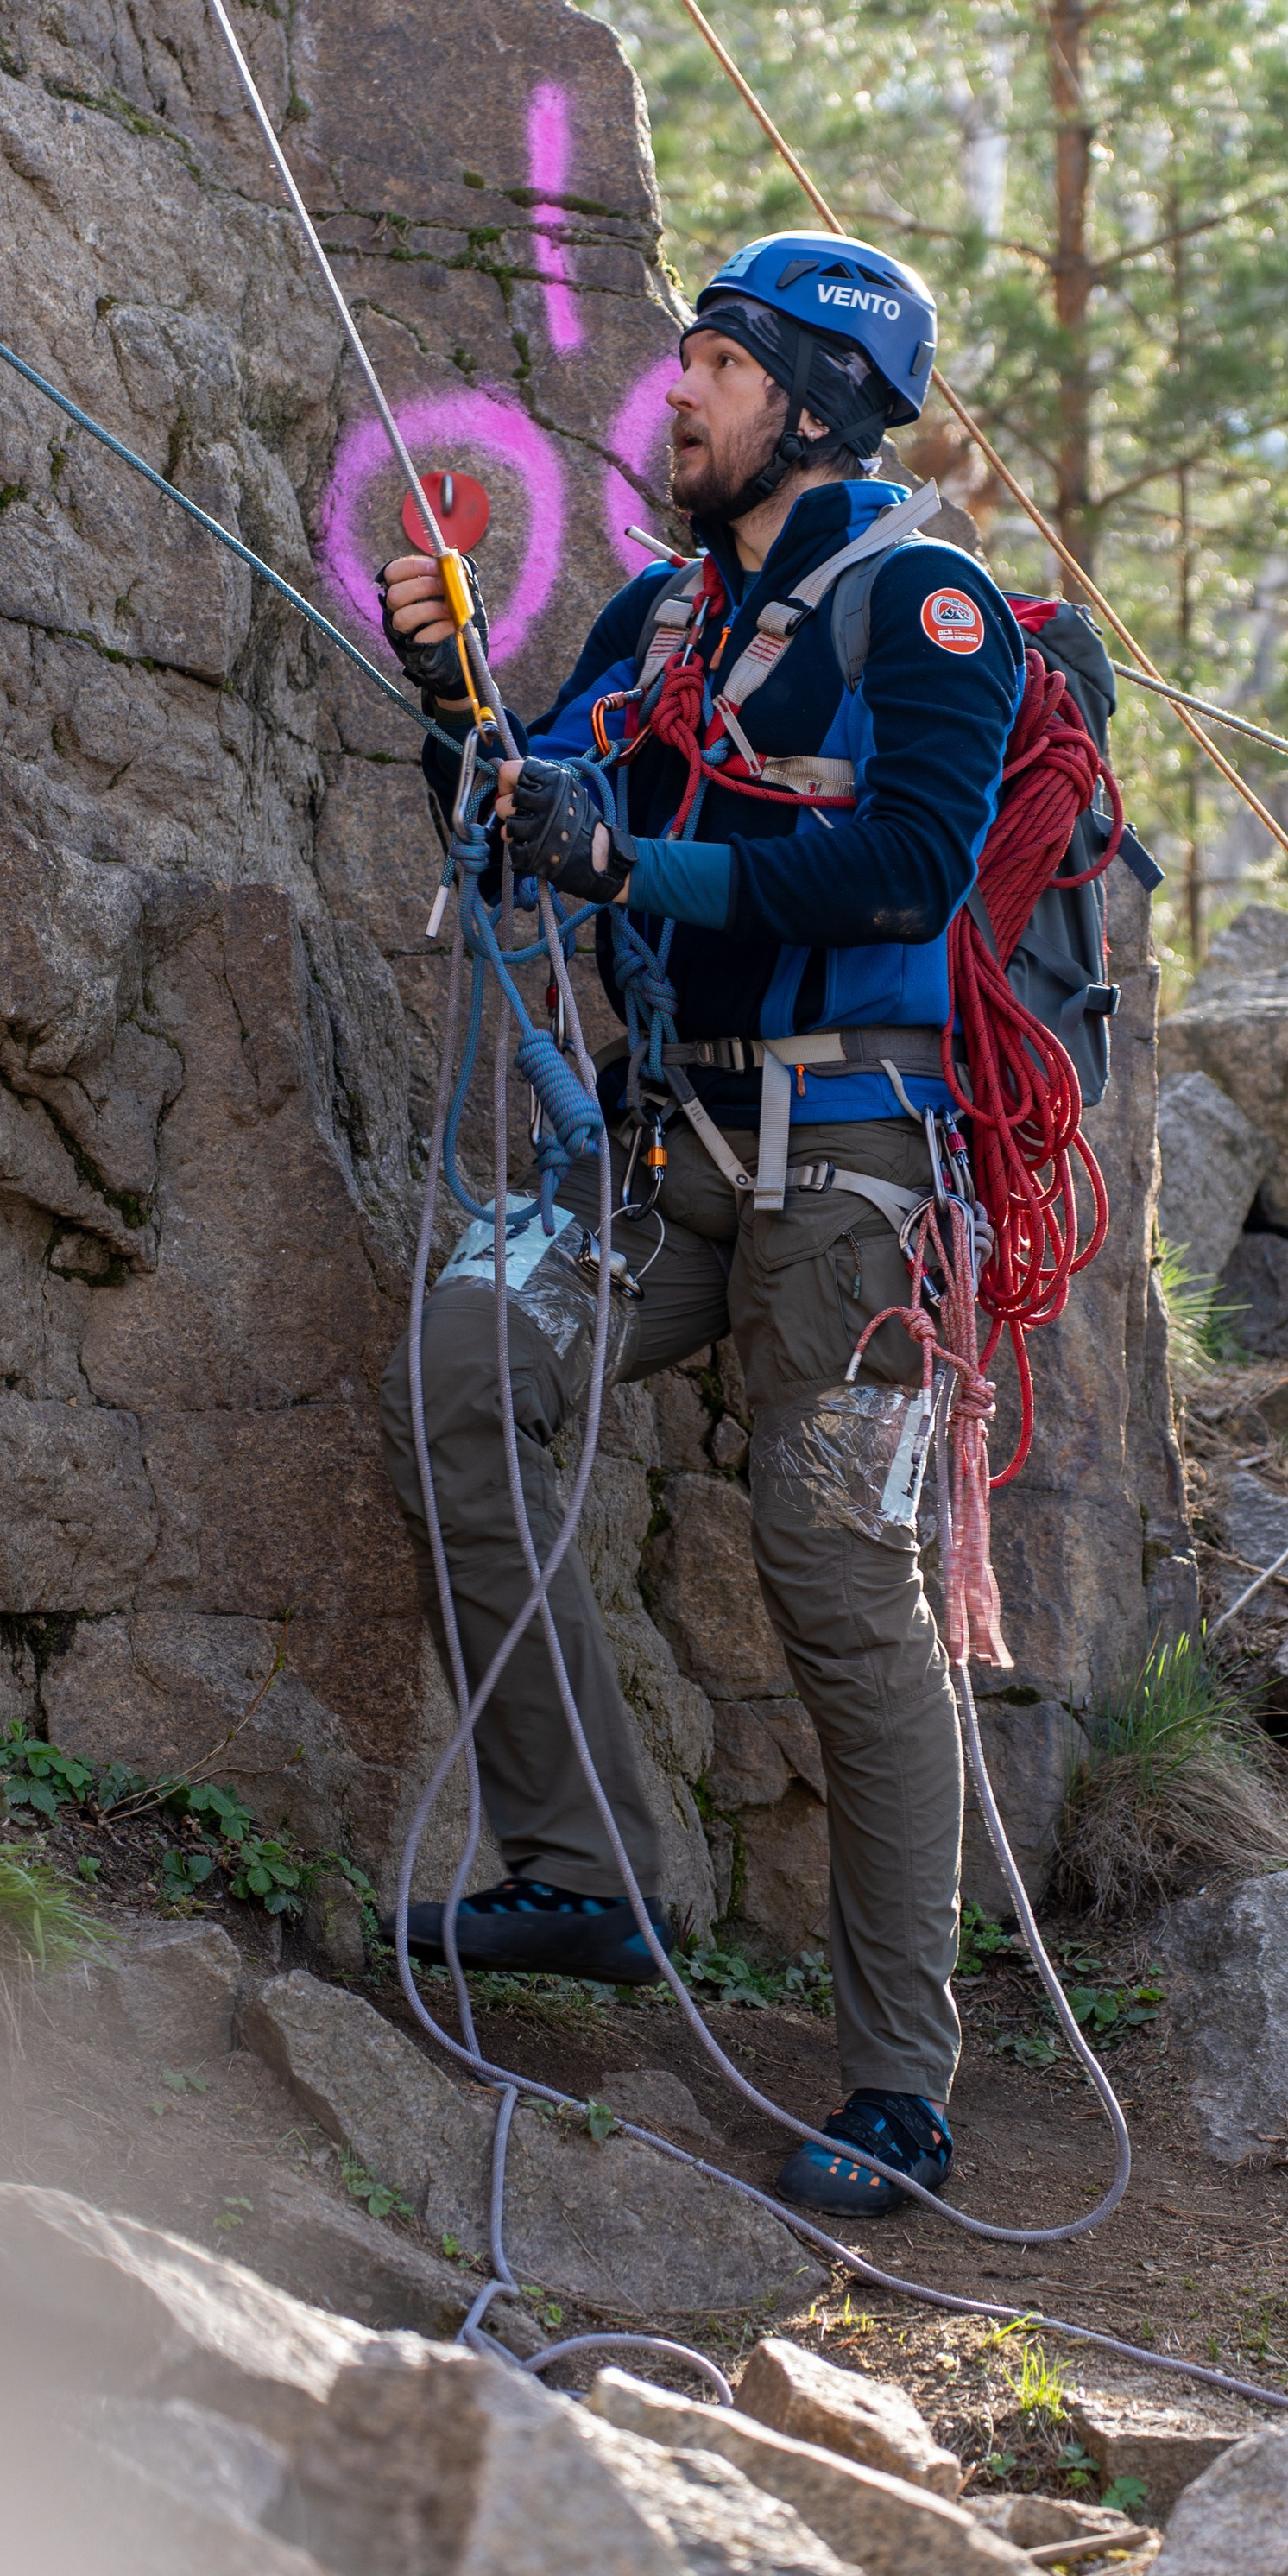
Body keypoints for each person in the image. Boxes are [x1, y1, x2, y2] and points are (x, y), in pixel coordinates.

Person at [373, 237, 1024, 2217]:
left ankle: (901, 2084)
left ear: (818, 404)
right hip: (669, 1166)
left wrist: (631, 849)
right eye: (684, 361)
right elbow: (524, 818)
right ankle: (582, 1877)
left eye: (720, 365)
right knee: (467, 1380)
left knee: (837, 1588)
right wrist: (453, 699)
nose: (680, 393)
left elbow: (912, 857)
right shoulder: (661, 619)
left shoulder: (924, 604)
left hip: (854, 1174)